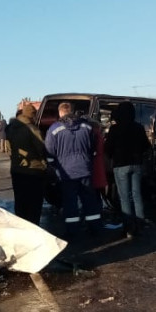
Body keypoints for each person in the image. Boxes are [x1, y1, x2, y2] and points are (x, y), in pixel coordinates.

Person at [44, 102, 102, 238]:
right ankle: (95, 229)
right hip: (85, 169)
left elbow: (49, 151)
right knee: (90, 201)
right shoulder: (87, 126)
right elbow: (92, 147)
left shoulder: (54, 129)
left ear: (60, 113)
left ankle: (72, 231)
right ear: (73, 111)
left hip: (66, 173)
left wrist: (53, 167)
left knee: (70, 202)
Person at [104, 101, 151, 238]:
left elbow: (108, 148)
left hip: (121, 165)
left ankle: (128, 228)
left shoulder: (115, 129)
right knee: (136, 195)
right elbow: (146, 146)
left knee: (124, 198)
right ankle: (140, 224)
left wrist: (112, 156)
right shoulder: (139, 127)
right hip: (136, 164)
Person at [5, 103, 48, 225]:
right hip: (34, 171)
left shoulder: (10, 128)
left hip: (16, 170)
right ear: (32, 115)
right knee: (34, 204)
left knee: (20, 202)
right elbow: (42, 149)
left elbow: (8, 149)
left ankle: (22, 227)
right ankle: (33, 228)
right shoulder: (32, 129)